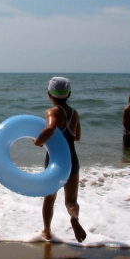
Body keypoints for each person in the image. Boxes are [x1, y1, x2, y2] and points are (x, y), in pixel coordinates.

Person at [33, 77, 86, 243]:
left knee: (50, 199)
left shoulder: (52, 112)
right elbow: (77, 137)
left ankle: (47, 231)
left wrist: (38, 141)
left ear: (49, 94)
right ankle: (74, 217)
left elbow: (50, 127)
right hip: (72, 160)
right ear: (69, 93)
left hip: (55, 162)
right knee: (71, 201)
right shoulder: (74, 113)